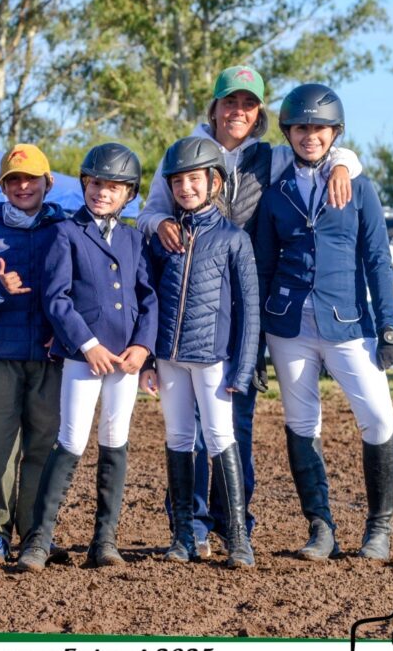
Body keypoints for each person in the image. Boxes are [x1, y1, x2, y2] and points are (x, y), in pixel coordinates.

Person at [136, 65, 364, 557]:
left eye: (248, 103)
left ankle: (235, 521)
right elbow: (148, 210)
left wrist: (345, 162)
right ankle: (192, 523)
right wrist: (158, 225)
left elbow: (320, 153)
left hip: (246, 303)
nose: (237, 111)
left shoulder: (275, 157)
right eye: (229, 102)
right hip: (190, 300)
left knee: (234, 418)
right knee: (188, 425)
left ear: (259, 112)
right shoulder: (183, 153)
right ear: (214, 107)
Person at [255, 84, 393, 562]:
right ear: (289, 132)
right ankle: (320, 527)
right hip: (287, 325)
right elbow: (260, 265)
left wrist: (389, 326)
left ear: (334, 133)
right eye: (301, 128)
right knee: (302, 423)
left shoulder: (358, 186)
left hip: (347, 322)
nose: (309, 136)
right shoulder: (275, 192)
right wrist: (254, 342)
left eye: (319, 128)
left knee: (379, 418)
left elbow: (378, 258)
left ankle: (378, 529)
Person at [17, 143, 158, 573]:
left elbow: (148, 297)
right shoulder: (67, 232)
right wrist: (87, 344)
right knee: (71, 440)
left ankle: (105, 540)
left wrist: (143, 346)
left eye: (112, 187)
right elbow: (55, 298)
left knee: (115, 442)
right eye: (96, 183)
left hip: (126, 361)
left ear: (128, 193)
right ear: (85, 184)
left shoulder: (134, 237)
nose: (101, 192)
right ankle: (38, 540)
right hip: (85, 356)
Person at [140, 136, 259, 568]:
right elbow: (148, 298)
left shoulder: (233, 239)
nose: (186, 188)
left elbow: (248, 311)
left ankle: (239, 538)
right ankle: (182, 536)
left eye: (194, 179)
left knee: (220, 440)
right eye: (178, 181)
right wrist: (149, 360)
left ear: (213, 181)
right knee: (177, 440)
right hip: (170, 359)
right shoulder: (163, 238)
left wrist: (243, 368)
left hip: (213, 359)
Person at [0, 144, 67, 566]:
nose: (23, 186)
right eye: (14, 180)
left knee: (41, 448)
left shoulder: (63, 228)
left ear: (47, 183)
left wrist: (62, 332)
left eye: (31, 179)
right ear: (3, 186)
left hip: (50, 359)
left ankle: (34, 533)